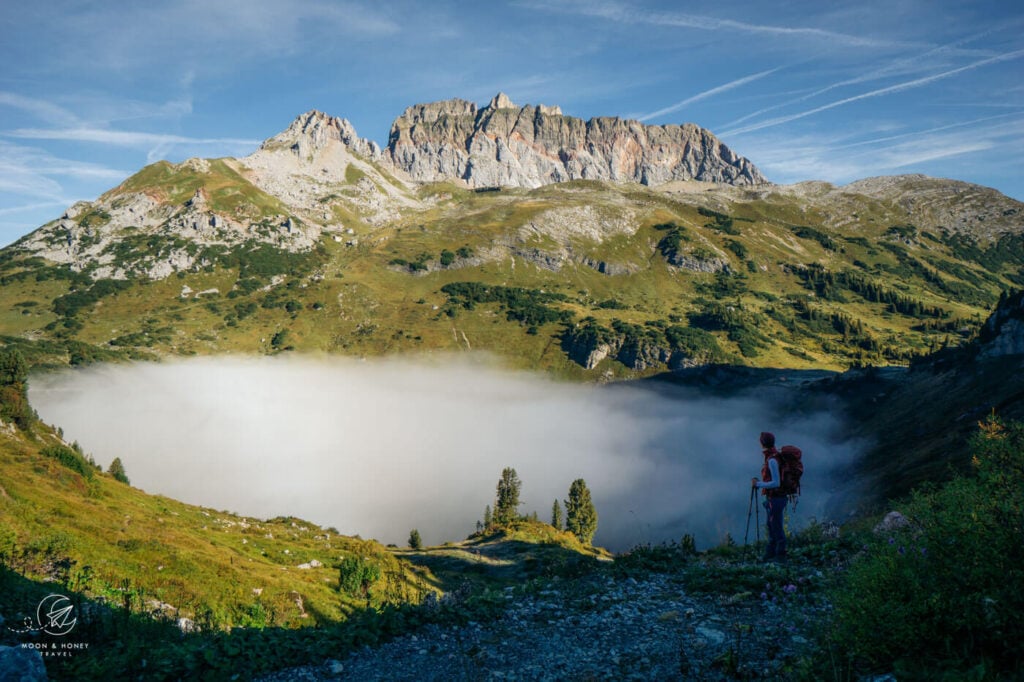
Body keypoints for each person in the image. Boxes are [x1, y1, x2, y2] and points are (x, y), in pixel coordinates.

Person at [751, 431, 787, 562]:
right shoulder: (774, 455)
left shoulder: (772, 460)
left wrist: (759, 484)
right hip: (777, 498)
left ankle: (781, 556)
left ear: (762, 443)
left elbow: (776, 482)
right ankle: (771, 553)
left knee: (775, 526)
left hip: (776, 498)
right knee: (771, 525)